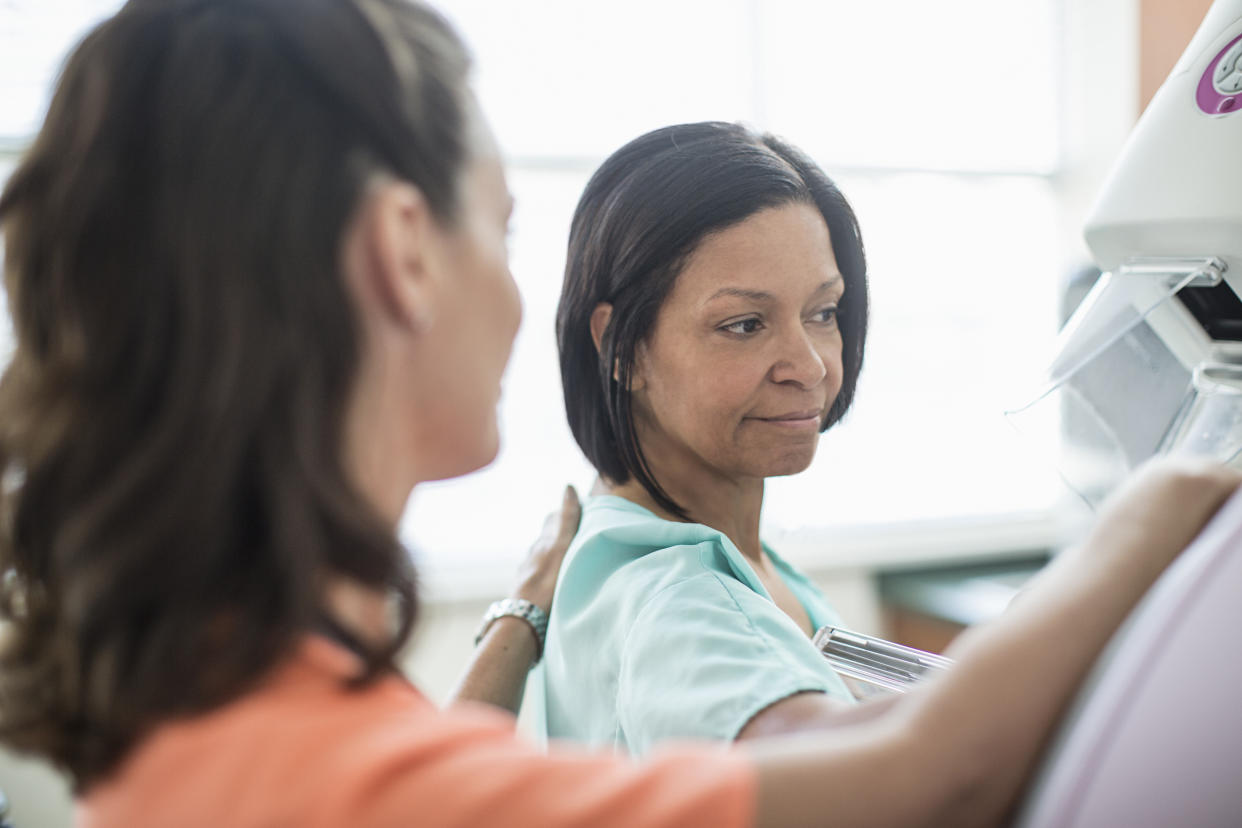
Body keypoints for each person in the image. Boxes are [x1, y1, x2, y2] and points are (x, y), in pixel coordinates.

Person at [0, 1, 1235, 826]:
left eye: (825, 313)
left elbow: (424, 760)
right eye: (504, 229)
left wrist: (524, 611)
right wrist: (1173, 501)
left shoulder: (230, 700)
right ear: (402, 253)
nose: (806, 359)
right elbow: (928, 779)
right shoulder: (319, 768)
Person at [540, 122, 866, 753]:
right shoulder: (676, 597)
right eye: (745, 325)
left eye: (822, 313)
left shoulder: (727, 554)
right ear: (621, 348)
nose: (810, 366)